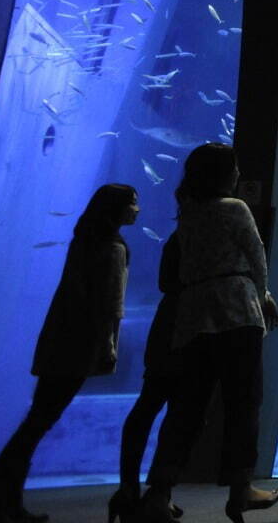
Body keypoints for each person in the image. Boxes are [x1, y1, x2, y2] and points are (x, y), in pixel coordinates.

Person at [138, 144, 278, 523]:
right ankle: (241, 489)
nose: (238, 174)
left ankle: (159, 492)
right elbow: (256, 256)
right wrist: (264, 296)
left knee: (187, 409)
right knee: (243, 403)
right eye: (234, 168)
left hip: (194, 317)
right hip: (236, 310)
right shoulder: (234, 208)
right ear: (226, 173)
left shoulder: (189, 212)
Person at [0, 184, 138, 523]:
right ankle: (2, 494)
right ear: (116, 208)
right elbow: (111, 305)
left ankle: (3, 492)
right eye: (133, 203)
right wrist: (109, 347)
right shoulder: (114, 248)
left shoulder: (84, 241)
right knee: (40, 422)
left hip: (59, 337)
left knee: (38, 419)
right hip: (82, 345)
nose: (137, 209)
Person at [109, 223, 186, 523]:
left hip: (166, 326)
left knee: (147, 405)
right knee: (180, 413)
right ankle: (159, 493)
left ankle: (128, 489)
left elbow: (165, 282)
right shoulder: (199, 235)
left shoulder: (177, 236)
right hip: (189, 328)